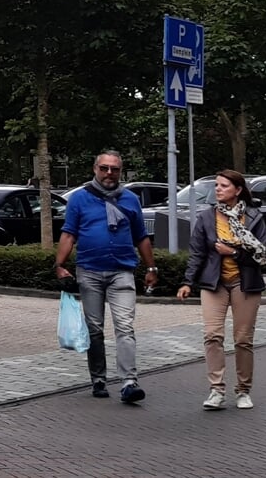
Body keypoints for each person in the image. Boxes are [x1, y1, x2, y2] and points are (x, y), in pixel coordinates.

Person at [53, 149, 157, 403]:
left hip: (122, 271)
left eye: (115, 169)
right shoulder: (79, 199)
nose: (109, 173)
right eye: (104, 168)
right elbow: (69, 234)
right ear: (95, 169)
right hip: (89, 271)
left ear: (120, 171)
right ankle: (98, 378)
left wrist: (151, 268)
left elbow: (141, 236)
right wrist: (59, 264)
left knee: (125, 327)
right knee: (95, 329)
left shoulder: (130, 199)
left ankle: (129, 382)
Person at [177, 169, 266, 410]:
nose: (217, 189)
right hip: (214, 283)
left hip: (245, 283)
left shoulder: (253, 217)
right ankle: (216, 390)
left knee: (242, 340)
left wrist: (234, 253)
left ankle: (243, 390)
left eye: (224, 186)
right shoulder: (207, 218)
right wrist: (188, 282)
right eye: (216, 185)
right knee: (212, 336)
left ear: (237, 190)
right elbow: (197, 253)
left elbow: (263, 255)